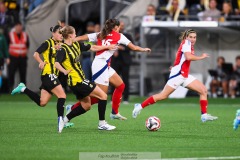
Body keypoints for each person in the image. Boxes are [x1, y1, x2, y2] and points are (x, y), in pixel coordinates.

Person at [132, 29, 218, 123]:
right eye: (191, 37)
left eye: (194, 37)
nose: (193, 39)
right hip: (178, 75)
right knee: (163, 96)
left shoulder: (188, 45)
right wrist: (202, 56)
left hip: (183, 75)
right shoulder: (186, 43)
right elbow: (188, 57)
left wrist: (175, 66)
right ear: (186, 37)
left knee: (203, 90)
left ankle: (204, 115)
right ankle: (139, 106)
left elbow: (180, 57)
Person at [73, 18, 151, 120]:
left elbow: (85, 37)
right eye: (118, 27)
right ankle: (73, 108)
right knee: (99, 97)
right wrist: (144, 49)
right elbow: (134, 47)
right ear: (115, 27)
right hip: (100, 66)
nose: (119, 29)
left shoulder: (101, 34)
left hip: (104, 65)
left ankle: (114, 112)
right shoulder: (119, 36)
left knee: (120, 85)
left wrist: (73, 40)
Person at [54, 25, 116, 130]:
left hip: (79, 81)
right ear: (69, 35)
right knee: (103, 96)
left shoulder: (76, 45)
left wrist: (107, 47)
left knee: (86, 105)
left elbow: (92, 47)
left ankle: (64, 121)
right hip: (76, 81)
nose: (76, 35)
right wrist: (64, 71)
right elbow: (56, 63)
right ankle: (102, 123)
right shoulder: (62, 49)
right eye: (74, 33)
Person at [11, 25, 68, 133]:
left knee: (42, 102)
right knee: (62, 95)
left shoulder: (60, 45)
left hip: (51, 75)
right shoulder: (47, 43)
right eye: (60, 33)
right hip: (48, 74)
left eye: (62, 33)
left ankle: (23, 89)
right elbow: (35, 54)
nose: (62, 35)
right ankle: (61, 120)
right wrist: (41, 62)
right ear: (53, 33)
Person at [111, 21, 133, 104]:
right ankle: (113, 99)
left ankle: (126, 99)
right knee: (114, 80)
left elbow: (131, 47)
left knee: (125, 80)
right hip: (115, 61)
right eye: (120, 26)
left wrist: (122, 48)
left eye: (123, 26)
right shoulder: (112, 36)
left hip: (125, 61)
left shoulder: (127, 36)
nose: (121, 27)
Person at [8, 21, 29, 92]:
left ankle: (23, 89)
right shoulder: (10, 35)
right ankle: (10, 88)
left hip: (22, 58)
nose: (19, 28)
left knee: (23, 73)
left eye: (20, 26)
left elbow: (27, 45)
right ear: (15, 27)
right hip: (13, 57)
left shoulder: (25, 34)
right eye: (17, 26)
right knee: (11, 73)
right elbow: (7, 45)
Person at [0, 27, 10, 91]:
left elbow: (5, 48)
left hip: (0, 57)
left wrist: (7, 57)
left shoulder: (2, 38)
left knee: (0, 73)